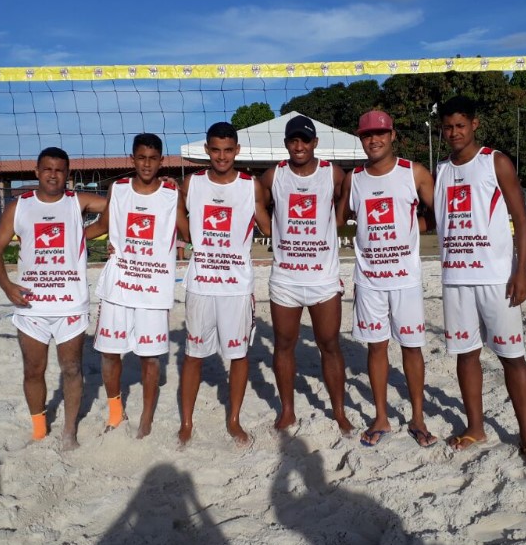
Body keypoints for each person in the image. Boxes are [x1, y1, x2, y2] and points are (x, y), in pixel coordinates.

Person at [433, 96, 526, 463]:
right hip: (456, 277)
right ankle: (475, 427)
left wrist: (522, 271)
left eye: (460, 125)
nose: (454, 132)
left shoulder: (494, 161)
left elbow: (521, 219)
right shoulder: (441, 169)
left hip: (496, 278)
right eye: (448, 127)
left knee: (512, 357)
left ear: (474, 125)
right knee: (466, 355)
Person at [0, 147, 106, 450]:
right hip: (31, 305)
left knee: (72, 369)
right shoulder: (19, 206)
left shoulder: (77, 201)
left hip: (70, 303)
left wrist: (87, 233)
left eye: (60, 170)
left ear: (68, 174)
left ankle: (69, 432)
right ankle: (39, 430)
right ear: (37, 171)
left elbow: (119, 206)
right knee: (33, 370)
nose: (53, 175)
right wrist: (6, 286)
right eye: (48, 169)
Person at [336, 110, 438, 448]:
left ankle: (418, 418)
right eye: (367, 135)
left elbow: (439, 214)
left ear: (392, 135)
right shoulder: (354, 179)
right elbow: (338, 219)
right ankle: (381, 417)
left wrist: (413, 229)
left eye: (380, 133)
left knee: (412, 347)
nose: (374, 140)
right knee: (376, 347)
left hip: (405, 279)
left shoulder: (414, 172)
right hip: (369, 279)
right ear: (361, 139)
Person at [86, 133, 187, 439]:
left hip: (153, 289)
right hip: (119, 285)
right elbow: (102, 226)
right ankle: (116, 412)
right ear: (132, 159)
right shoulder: (118, 189)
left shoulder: (170, 194)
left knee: (150, 357)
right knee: (109, 353)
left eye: (153, 158)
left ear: (161, 161)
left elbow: (189, 232)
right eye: (141, 158)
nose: (146, 164)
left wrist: (184, 194)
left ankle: (146, 418)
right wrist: (69, 236)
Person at [178, 122, 270, 446]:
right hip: (201, 284)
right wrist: (187, 236)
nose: (221, 156)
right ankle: (186, 422)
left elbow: (268, 227)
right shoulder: (192, 183)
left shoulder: (250, 185)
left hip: (236, 286)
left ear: (237, 151)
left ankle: (234, 420)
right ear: (207, 150)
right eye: (215, 150)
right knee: (193, 354)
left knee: (238, 355)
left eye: (228, 150)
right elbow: (174, 212)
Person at [260, 114, 352, 434]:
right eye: (293, 140)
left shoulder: (333, 173)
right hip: (286, 278)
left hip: (323, 278)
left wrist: (335, 223)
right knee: (284, 344)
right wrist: (270, 230)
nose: (299, 146)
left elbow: (345, 207)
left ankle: (339, 411)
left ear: (315, 142)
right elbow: (255, 203)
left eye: (305, 140)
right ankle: (287, 411)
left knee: (330, 344)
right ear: (286, 143)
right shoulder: (273, 175)